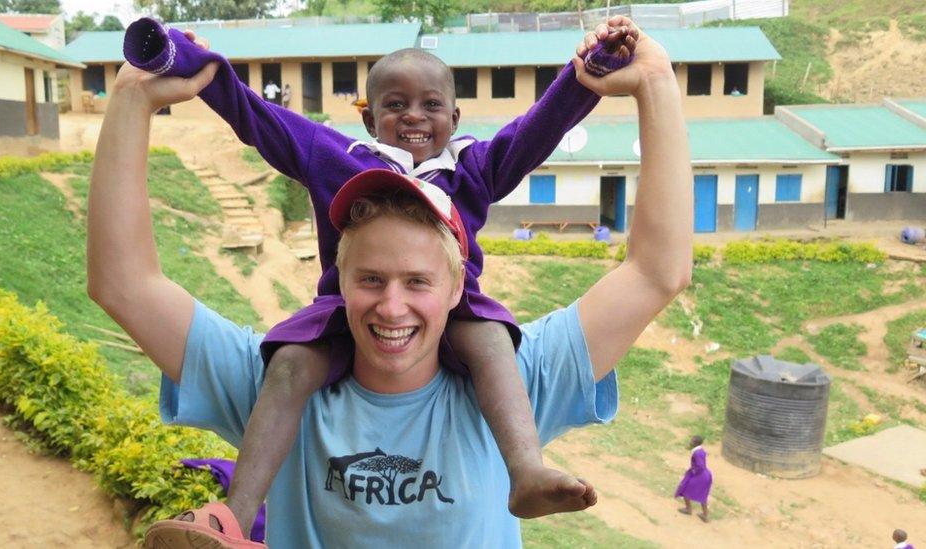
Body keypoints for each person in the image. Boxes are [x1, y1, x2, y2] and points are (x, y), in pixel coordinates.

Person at [89, 16, 691, 546]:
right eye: (371, 278)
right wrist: (152, 92)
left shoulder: (515, 384)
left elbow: (545, 142)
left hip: (479, 338)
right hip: (320, 340)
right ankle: (232, 519)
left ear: (455, 285)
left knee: (491, 341)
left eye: (419, 281)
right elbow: (261, 129)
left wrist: (627, 78)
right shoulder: (276, 383)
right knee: (295, 365)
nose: (393, 306)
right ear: (339, 276)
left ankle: (525, 469)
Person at [675, 435, 713, 523]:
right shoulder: (700, 450)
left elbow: (700, 466)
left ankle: (688, 509)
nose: (690, 442)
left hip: (700, 476)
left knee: (684, 488)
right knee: (703, 495)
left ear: (695, 443)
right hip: (705, 475)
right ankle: (705, 515)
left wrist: (693, 472)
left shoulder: (697, 453)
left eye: (692, 441)